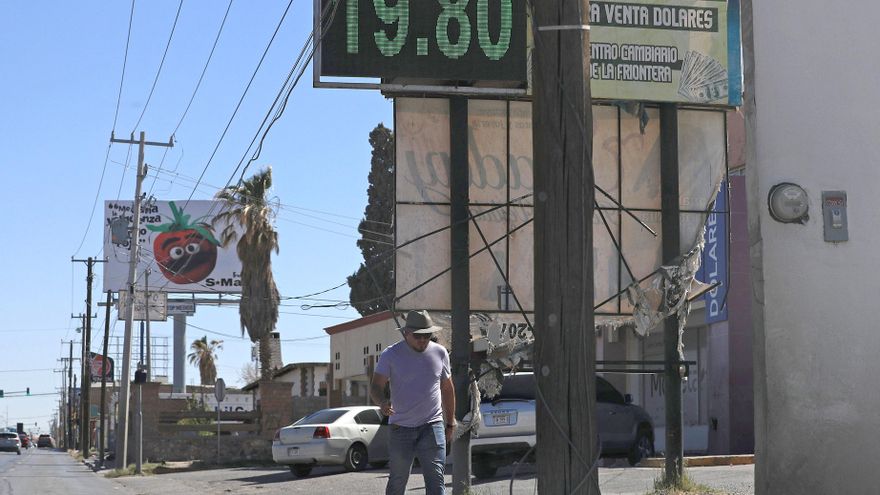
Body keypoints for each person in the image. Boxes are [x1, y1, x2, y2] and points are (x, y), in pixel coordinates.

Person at [371, 310, 456, 495]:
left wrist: (450, 423)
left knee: (436, 480)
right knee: (397, 482)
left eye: (427, 335)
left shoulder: (440, 353)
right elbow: (376, 386)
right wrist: (382, 402)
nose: (423, 340)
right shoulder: (391, 354)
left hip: (432, 425)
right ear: (406, 333)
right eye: (418, 336)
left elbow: (448, 389)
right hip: (400, 427)